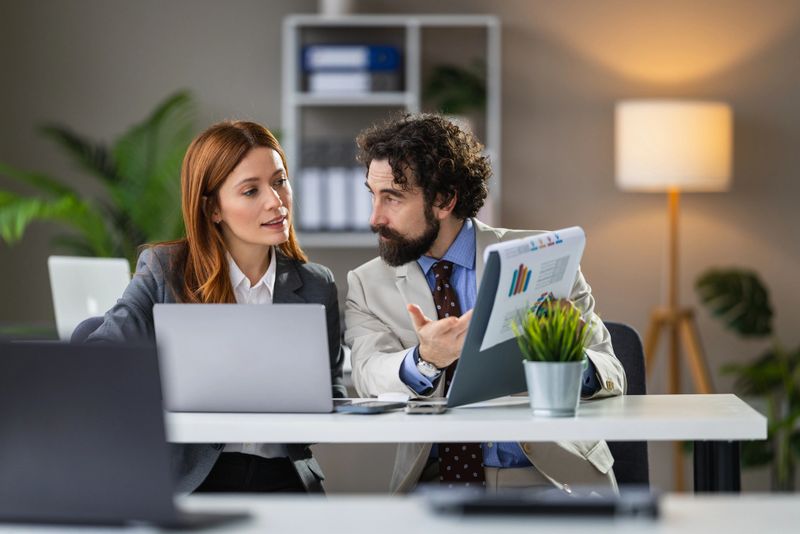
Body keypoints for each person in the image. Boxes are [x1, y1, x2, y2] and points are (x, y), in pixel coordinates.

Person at [345, 113, 626, 494]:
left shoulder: (542, 258)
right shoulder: (366, 284)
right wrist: (425, 359)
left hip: (551, 478)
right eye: (372, 195)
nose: (375, 217)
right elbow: (367, 376)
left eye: (392, 197)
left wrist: (562, 355)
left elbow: (613, 373)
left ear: (444, 200)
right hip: (436, 485)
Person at [86, 120, 345, 494]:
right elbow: (102, 356)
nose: (276, 201)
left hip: (284, 478)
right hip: (197, 478)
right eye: (251, 191)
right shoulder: (166, 270)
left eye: (279, 181)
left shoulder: (317, 285)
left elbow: (330, 397)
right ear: (213, 209)